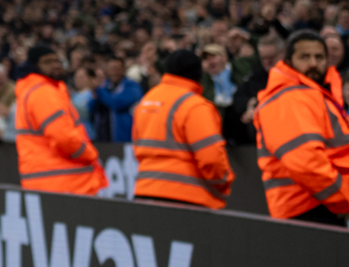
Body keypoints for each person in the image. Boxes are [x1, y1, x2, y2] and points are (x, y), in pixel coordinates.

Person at [253, 30, 349, 226]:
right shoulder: (289, 98)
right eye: (304, 57)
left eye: (319, 57)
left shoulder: (310, 95)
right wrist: (343, 201)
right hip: (311, 209)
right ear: (289, 61)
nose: (313, 63)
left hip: (320, 205)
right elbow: (306, 163)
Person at [132, 50, 234, 208]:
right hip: (187, 197)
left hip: (144, 191)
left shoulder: (147, 99)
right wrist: (223, 183)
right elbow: (212, 158)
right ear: (198, 73)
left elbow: (137, 147)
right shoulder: (195, 105)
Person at [14, 46, 107, 194]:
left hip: (54, 181)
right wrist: (90, 154)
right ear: (34, 66)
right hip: (65, 182)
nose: (55, 65)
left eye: (57, 60)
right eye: (48, 62)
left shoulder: (39, 89)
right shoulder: (43, 91)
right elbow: (63, 138)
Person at [90, 56, 143, 143]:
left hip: (126, 138)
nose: (114, 72)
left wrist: (99, 90)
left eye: (117, 69)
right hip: (104, 138)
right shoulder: (105, 86)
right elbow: (91, 108)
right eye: (111, 69)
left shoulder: (132, 86)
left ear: (124, 69)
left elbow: (117, 103)